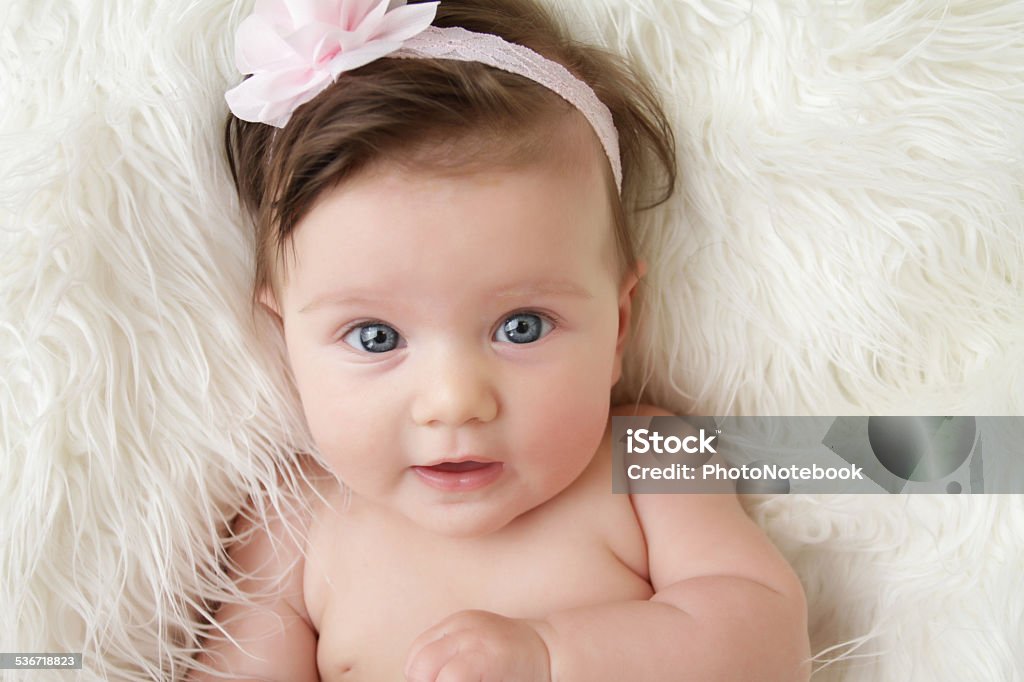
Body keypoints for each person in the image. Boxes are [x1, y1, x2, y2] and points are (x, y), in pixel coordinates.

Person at [189, 0, 811, 679]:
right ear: (287, 339)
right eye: (375, 337)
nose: (455, 402)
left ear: (618, 328)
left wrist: (553, 655)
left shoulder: (649, 460)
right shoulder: (295, 521)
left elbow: (766, 639)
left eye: (522, 327)